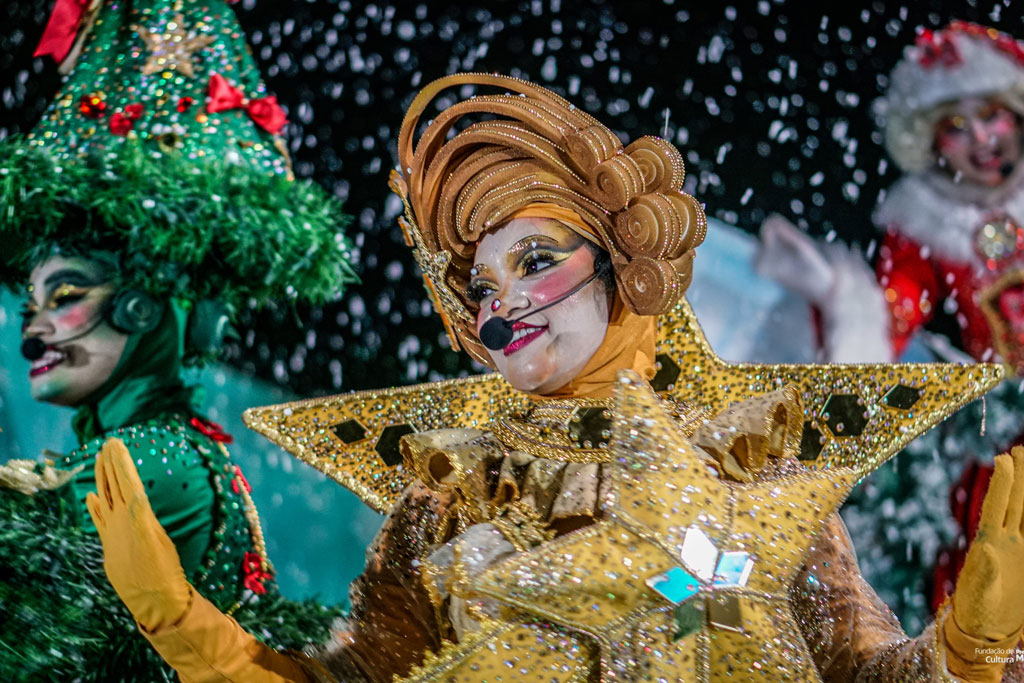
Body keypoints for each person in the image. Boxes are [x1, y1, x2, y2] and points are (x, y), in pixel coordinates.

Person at [89, 74, 1023, 681]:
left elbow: (862, 673)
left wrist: (969, 646)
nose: (502, 308)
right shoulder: (448, 496)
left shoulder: (754, 471)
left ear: (622, 259)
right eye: (478, 286)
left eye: (537, 259)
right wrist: (187, 629)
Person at [0, 0, 354, 677]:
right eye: (31, 303)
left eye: (67, 294)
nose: (35, 324)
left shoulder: (141, 458)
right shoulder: (166, 444)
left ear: (143, 306)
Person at [756, 20, 1024, 619]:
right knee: (988, 564)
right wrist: (837, 296)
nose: (983, 138)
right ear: (930, 143)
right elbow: (891, 316)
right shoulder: (927, 228)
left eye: (993, 115)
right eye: (955, 126)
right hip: (1012, 442)